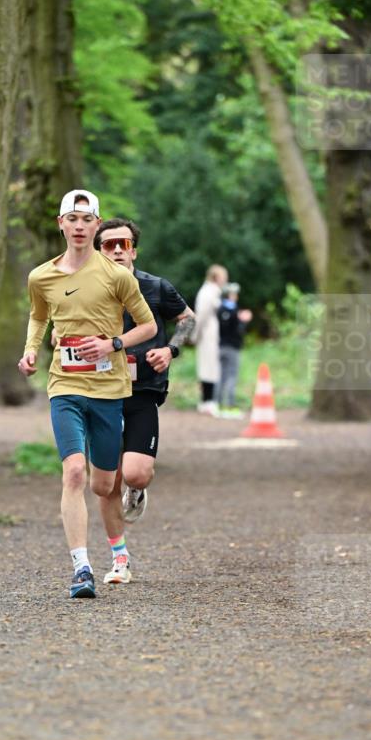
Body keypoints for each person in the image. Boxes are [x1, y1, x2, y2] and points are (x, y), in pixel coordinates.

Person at [17, 189, 156, 599]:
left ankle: (120, 526)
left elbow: (146, 327)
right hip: (65, 385)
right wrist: (30, 351)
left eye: (86, 220)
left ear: (96, 227)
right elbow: (38, 316)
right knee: (74, 472)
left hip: (109, 388)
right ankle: (81, 568)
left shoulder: (117, 277)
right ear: (61, 224)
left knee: (103, 483)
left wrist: (113, 344)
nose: (78, 227)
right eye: (71, 219)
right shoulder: (41, 276)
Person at [93, 217, 195, 585]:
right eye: (109, 245)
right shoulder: (86, 290)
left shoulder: (155, 287)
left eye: (124, 244)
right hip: (100, 391)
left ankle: (137, 489)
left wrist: (170, 350)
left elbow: (187, 320)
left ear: (133, 250)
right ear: (98, 251)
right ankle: (120, 558)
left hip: (143, 391)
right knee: (105, 484)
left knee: (135, 473)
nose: (118, 250)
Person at [193, 264, 228, 416]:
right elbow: (201, 316)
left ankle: (208, 400)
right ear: (216, 277)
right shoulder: (207, 292)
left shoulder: (214, 292)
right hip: (206, 335)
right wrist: (195, 335)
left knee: (211, 367)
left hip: (212, 335)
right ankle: (207, 401)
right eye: (223, 277)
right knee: (207, 368)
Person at [217, 282, 253, 418]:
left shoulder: (220, 309)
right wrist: (244, 321)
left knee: (222, 376)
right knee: (232, 376)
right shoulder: (234, 310)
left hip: (221, 346)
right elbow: (238, 331)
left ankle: (219, 405)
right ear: (231, 295)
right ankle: (230, 406)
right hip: (232, 348)